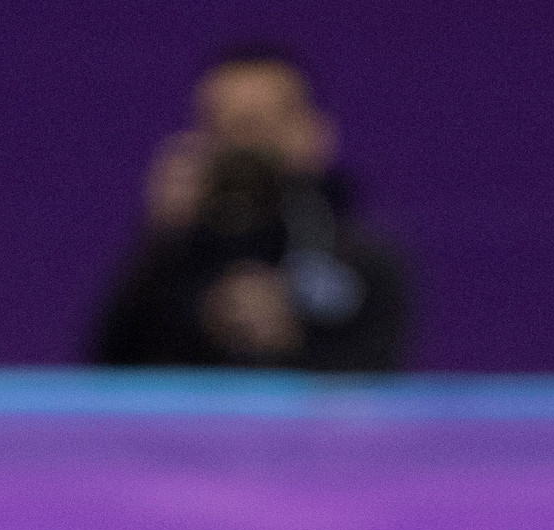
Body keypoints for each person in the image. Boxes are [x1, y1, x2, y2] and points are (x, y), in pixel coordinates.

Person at [89, 44, 410, 373]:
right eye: (226, 128)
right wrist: (161, 240)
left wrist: (288, 339)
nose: (245, 147)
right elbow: (111, 372)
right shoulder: (172, 257)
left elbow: (376, 383)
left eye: (258, 127)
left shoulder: (362, 260)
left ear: (314, 132)